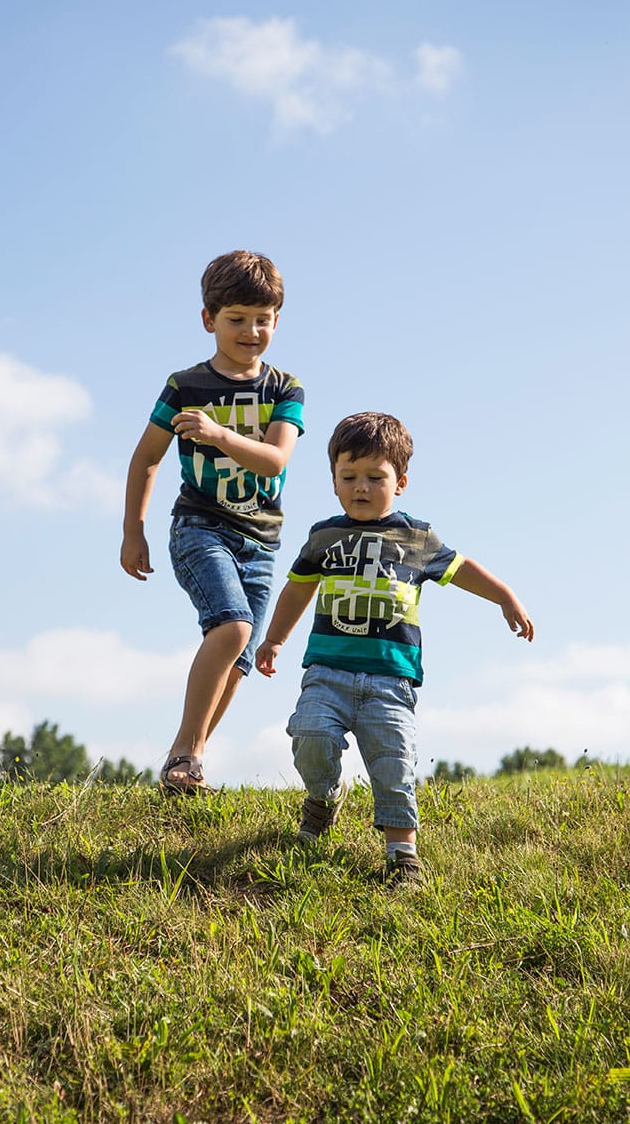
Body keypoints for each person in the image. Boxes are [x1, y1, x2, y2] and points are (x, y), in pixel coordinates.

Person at [255, 411, 533, 884]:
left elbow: (462, 569)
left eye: (374, 477)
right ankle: (322, 799)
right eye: (349, 477)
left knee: (394, 760)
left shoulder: (417, 539)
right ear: (334, 483)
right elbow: (298, 588)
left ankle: (402, 854)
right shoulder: (324, 537)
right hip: (327, 671)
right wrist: (276, 638)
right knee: (311, 736)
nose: (361, 487)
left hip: (391, 679)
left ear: (400, 482)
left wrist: (504, 596)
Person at [121, 250, 305, 793]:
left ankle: (190, 762)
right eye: (236, 319)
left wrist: (219, 435)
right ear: (209, 319)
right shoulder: (184, 386)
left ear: (276, 320)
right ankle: (183, 749)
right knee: (233, 627)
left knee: (241, 658)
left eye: (262, 320)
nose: (251, 331)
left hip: (262, 540)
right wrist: (135, 529)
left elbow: (275, 459)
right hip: (200, 527)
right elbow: (146, 457)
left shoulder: (285, 389)